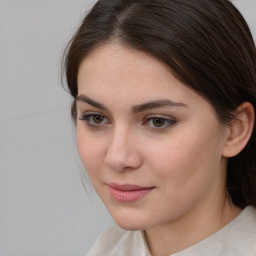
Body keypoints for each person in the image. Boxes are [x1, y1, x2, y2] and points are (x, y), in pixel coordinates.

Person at [63, 0, 256, 255]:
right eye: (97, 118)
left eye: (158, 121)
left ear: (235, 129)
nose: (117, 158)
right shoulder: (108, 248)